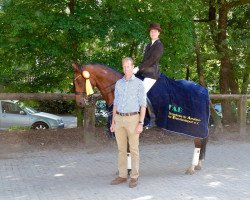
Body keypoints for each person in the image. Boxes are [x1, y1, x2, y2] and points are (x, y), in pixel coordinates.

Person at [110, 57, 147, 188]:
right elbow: (115, 103)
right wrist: (113, 121)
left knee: (134, 149)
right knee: (121, 149)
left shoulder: (138, 84)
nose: (126, 69)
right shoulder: (119, 83)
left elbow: (143, 105)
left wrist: (141, 123)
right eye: (124, 67)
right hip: (119, 119)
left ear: (132, 67)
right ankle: (122, 175)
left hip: (133, 119)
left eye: (128, 66)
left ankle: (134, 176)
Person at [134, 23, 164, 127]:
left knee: (141, 92)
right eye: (151, 31)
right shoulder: (148, 45)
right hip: (144, 72)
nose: (153, 33)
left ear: (158, 33)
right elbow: (145, 60)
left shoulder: (159, 45)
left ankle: (152, 118)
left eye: (155, 31)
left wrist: (138, 68)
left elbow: (151, 60)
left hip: (152, 74)